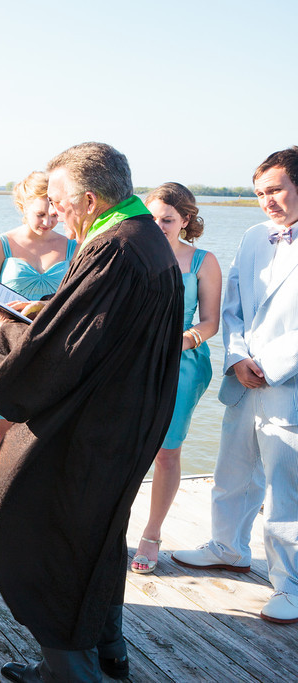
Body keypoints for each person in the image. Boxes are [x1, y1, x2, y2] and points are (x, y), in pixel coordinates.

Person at [0, 142, 182, 682]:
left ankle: (71, 671)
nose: (55, 209)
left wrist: (8, 335)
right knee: (96, 533)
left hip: (92, 427)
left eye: (60, 198)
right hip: (127, 418)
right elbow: (99, 327)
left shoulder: (114, 247)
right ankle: (106, 647)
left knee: (35, 523)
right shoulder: (145, 237)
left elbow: (62, 351)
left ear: (89, 200)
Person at [172, 147, 298, 625]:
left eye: (276, 190)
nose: (267, 201)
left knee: (287, 489)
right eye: (260, 193)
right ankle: (228, 546)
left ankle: (291, 584)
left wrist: (269, 364)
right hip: (246, 376)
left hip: (289, 381)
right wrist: (238, 355)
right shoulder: (252, 236)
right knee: (234, 469)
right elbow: (234, 305)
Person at [131, 183, 220, 574]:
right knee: (123, 447)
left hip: (182, 362)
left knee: (167, 451)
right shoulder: (132, 255)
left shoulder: (204, 261)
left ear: (185, 220)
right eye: (151, 218)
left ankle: (151, 535)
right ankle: (109, 530)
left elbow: (211, 322)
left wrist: (183, 341)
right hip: (131, 360)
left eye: (167, 219)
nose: (158, 225)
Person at [0, 171, 73, 485]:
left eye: (54, 214)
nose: (48, 221)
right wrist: (9, 338)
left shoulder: (73, 247)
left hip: (53, 350)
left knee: (43, 435)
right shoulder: (0, 244)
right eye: (40, 214)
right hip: (4, 347)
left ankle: (29, 510)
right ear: (22, 206)